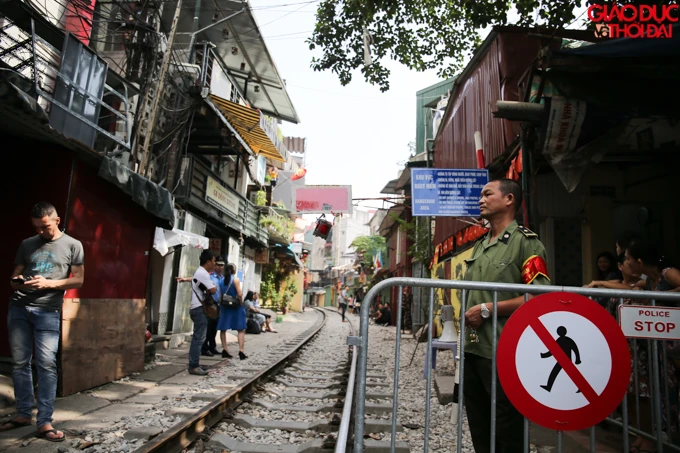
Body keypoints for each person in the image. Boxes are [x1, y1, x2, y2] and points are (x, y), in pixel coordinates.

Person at [462, 179, 550, 453]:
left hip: (505, 351)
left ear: (509, 199)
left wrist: (488, 309)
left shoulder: (526, 244)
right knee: (479, 426)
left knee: (507, 429)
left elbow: (537, 296)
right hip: (474, 349)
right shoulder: (480, 244)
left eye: (488, 193)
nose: (481, 199)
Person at [1, 202, 84, 443]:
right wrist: (17, 280)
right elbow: (15, 274)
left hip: (47, 310)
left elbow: (78, 280)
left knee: (46, 364)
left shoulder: (73, 245)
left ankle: (44, 421)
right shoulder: (27, 244)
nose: (40, 232)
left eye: (45, 227)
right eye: (37, 228)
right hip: (18, 307)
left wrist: (49, 284)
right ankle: (23, 414)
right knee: (19, 363)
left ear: (56, 221)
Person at [625, 240, 680, 453]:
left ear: (639, 261)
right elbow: (632, 287)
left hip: (674, 345)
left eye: (629, 259)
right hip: (659, 347)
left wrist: (662, 298)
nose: (627, 263)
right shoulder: (649, 280)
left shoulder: (668, 273)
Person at [178, 250, 217, 376]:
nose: (214, 264)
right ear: (208, 261)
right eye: (214, 261)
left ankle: (195, 363)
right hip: (199, 309)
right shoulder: (203, 273)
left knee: (200, 337)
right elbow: (212, 289)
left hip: (197, 308)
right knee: (199, 338)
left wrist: (184, 280)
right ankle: (194, 366)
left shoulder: (200, 272)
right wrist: (214, 285)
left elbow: (195, 280)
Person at [218, 263, 248, 360]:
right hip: (236, 307)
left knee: (223, 329)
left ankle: (225, 349)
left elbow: (220, 295)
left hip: (225, 306)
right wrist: (240, 303)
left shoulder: (221, 281)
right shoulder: (235, 279)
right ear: (234, 271)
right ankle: (241, 351)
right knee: (240, 329)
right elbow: (239, 294)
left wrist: (221, 304)